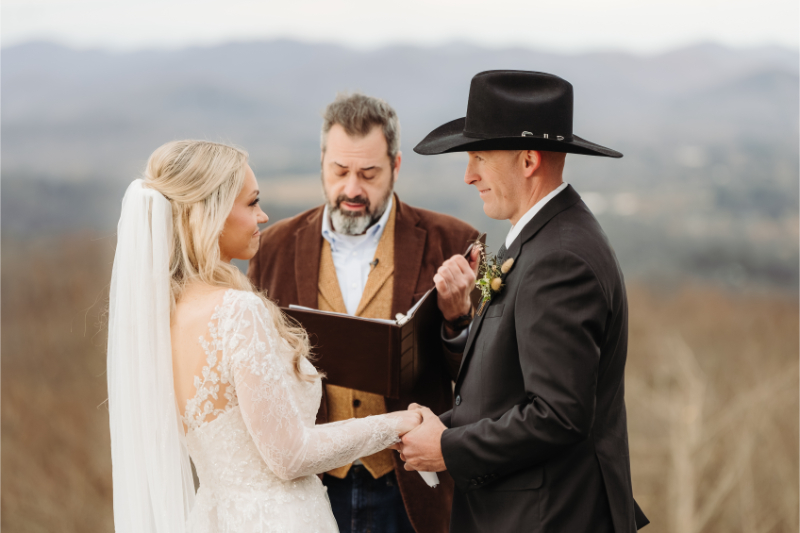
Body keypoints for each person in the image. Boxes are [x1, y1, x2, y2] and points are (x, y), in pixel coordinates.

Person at [106, 140, 424, 533]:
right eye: (251, 202)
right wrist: (396, 424)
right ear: (213, 213)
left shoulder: (160, 318)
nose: (262, 215)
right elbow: (290, 454)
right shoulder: (237, 312)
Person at [395, 71, 650, 532]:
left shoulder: (561, 258)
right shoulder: (538, 239)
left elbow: (558, 414)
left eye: (479, 158)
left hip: (549, 518)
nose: (469, 175)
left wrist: (448, 448)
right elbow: (510, 387)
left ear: (528, 160)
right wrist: (439, 424)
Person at [248, 93, 480, 533]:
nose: (352, 189)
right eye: (340, 171)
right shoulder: (273, 247)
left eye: (368, 173)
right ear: (322, 163)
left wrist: (457, 320)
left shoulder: (451, 240)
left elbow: (475, 379)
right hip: (308, 487)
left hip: (410, 487)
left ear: (395, 166)